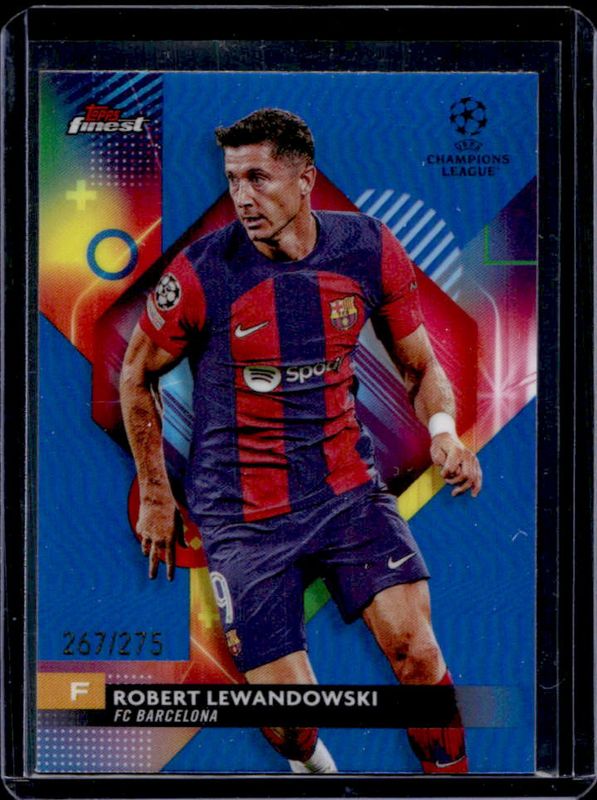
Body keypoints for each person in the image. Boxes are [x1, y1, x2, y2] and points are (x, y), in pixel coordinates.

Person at [120, 108, 482, 775]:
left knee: (420, 655)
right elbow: (136, 373)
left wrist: (443, 433)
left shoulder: (367, 248)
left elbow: (420, 365)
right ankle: (313, 771)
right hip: (243, 516)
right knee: (290, 724)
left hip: (346, 492)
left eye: (257, 177)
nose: (241, 196)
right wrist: (156, 494)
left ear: (305, 179)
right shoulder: (202, 272)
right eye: (233, 179)